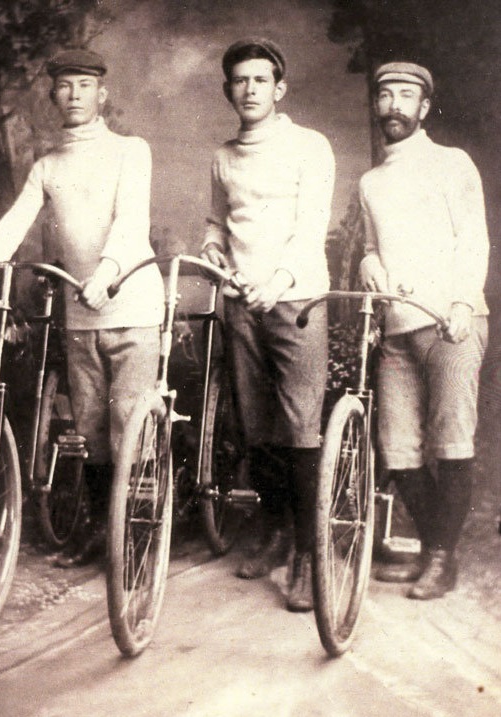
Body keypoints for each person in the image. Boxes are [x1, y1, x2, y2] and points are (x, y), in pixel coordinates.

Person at [0, 49, 164, 567]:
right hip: (80, 314)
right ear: (54, 97)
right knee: (90, 431)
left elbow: (131, 223)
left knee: (131, 424)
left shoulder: (131, 151)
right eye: (65, 86)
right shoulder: (47, 166)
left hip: (130, 305)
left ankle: (137, 541)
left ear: (101, 94)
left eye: (84, 85)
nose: (74, 95)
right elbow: (15, 220)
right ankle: (99, 532)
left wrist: (108, 273)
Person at [201, 38, 335, 612]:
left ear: (279, 89)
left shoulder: (310, 146)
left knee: (300, 428)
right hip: (240, 302)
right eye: (240, 80)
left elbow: (309, 230)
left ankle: (308, 552)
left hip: (296, 297)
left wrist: (275, 282)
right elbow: (216, 222)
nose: (250, 89)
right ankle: (276, 530)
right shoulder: (223, 156)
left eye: (261, 80)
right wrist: (213, 250)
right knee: (258, 427)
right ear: (229, 90)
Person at [359, 62, 489, 599]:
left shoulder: (452, 163)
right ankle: (439, 548)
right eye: (385, 94)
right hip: (395, 328)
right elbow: (372, 247)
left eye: (405, 95)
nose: (394, 104)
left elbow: (473, 239)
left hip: (450, 323)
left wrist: (461, 301)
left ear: (424, 108)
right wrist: (369, 264)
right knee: (399, 449)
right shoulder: (371, 181)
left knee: (452, 442)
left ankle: (439, 557)